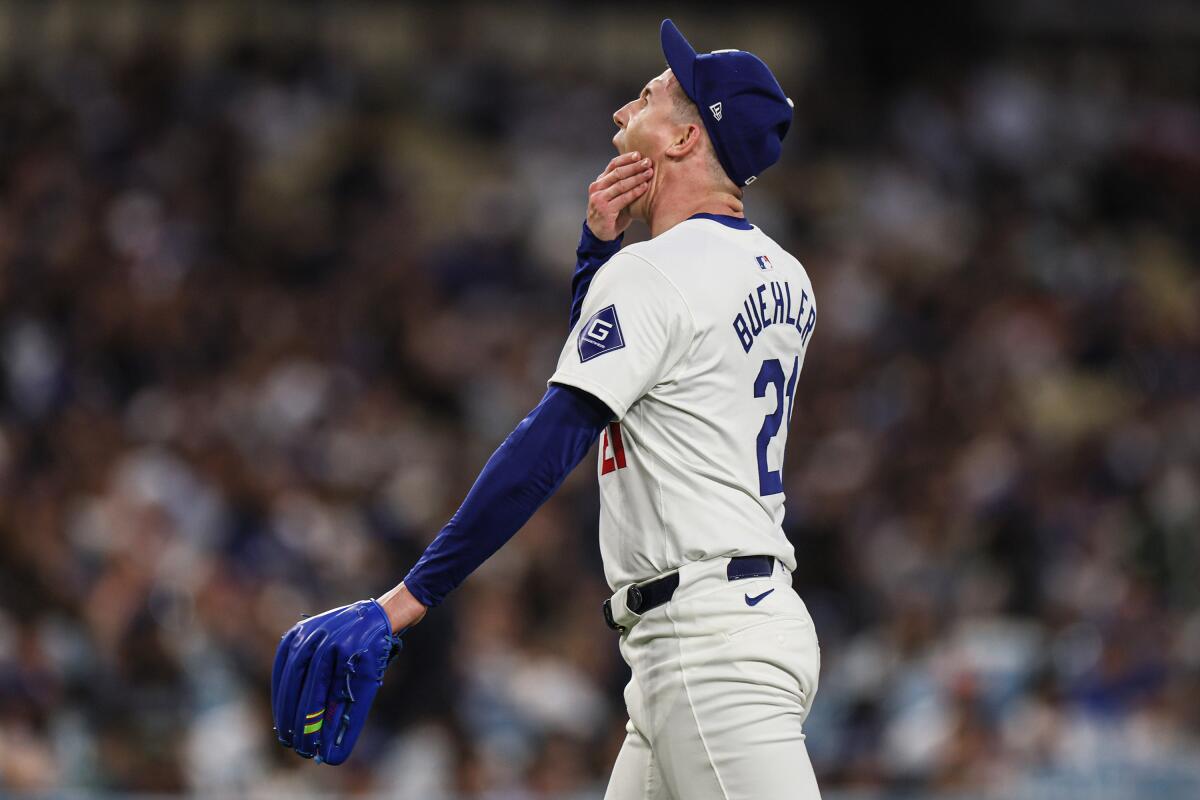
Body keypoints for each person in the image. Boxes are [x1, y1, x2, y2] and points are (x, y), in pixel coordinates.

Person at [273, 18, 821, 799]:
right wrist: (597, 253)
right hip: (723, 625)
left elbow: (556, 436)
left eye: (652, 94)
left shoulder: (657, 273)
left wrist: (407, 599)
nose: (620, 110)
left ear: (685, 139)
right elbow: (628, 381)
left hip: (709, 645)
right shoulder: (785, 276)